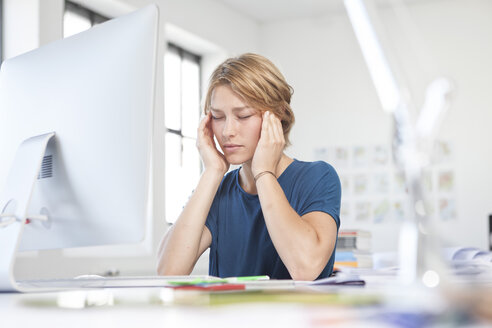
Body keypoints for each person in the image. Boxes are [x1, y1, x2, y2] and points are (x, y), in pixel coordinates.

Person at [157, 53, 341, 281]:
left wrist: (264, 173)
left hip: (295, 317)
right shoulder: (217, 191)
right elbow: (168, 273)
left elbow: (306, 268)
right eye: (218, 117)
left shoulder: (317, 177)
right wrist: (212, 172)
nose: (227, 131)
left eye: (243, 115)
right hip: (230, 317)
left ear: (278, 115)